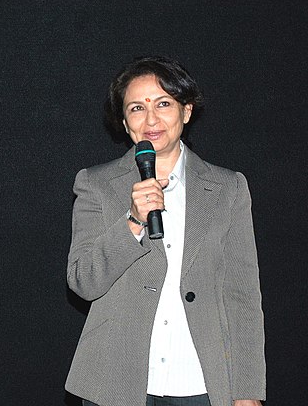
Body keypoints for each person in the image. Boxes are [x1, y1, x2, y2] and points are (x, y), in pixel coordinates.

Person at [65, 56, 265, 406]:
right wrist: (133, 220)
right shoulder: (96, 185)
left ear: (186, 111)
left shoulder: (228, 188)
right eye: (137, 108)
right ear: (125, 124)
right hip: (116, 381)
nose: (151, 119)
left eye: (163, 104)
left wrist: (247, 390)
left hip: (202, 381)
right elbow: (83, 281)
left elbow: (243, 297)